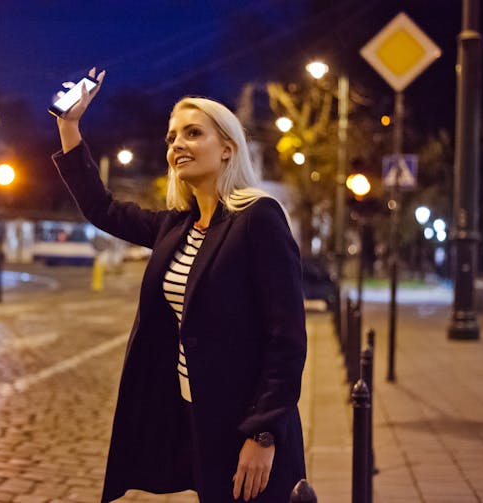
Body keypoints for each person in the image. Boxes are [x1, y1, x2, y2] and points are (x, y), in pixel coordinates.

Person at [51, 68, 307, 503]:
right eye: (171, 138)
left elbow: (286, 337)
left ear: (227, 148)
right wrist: (68, 126)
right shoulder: (177, 226)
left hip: (246, 419)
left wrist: (264, 433)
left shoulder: (258, 217)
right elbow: (102, 207)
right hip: (194, 413)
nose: (177, 145)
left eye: (192, 133)